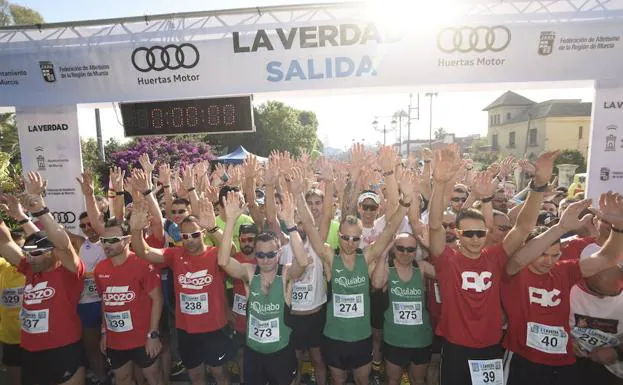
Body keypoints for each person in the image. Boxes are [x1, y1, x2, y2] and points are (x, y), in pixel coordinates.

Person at [428, 148, 549, 385]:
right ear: (458, 234)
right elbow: (434, 226)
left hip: (491, 347)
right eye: (469, 233)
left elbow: (523, 228)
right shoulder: (446, 259)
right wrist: (440, 184)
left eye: (480, 233)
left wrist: (539, 186)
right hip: (456, 348)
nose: (475, 238)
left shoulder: (495, 256)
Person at [298, 169, 420, 385]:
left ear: (361, 238)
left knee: (362, 380)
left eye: (355, 238)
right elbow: (309, 226)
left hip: (362, 339)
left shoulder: (368, 256)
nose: (350, 243)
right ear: (339, 236)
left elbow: (389, 228)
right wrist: (298, 194)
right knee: (338, 380)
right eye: (345, 237)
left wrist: (406, 201)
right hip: (334, 338)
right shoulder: (329, 257)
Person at [502, 192, 623, 385]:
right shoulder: (515, 273)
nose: (548, 261)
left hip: (562, 362)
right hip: (524, 359)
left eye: (555, 255)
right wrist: (561, 228)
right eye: (542, 254)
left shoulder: (565, 270)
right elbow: (517, 259)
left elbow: (608, 259)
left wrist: (619, 228)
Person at [130, 195, 235, 385]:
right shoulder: (175, 254)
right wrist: (136, 229)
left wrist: (214, 228)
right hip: (187, 330)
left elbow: (233, 252)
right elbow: (143, 252)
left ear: (203, 233)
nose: (190, 240)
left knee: (220, 375)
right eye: (185, 236)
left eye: (195, 235)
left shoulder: (215, 254)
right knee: (195, 376)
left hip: (214, 329)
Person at [0, 171, 86, 385]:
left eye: (37, 252)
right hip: (30, 351)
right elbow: (4, 242)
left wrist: (39, 209)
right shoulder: (30, 270)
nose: (30, 256)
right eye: (28, 251)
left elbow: (63, 243)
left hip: (63, 350)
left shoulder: (68, 271)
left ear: (53, 252)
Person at [218, 191, 309, 385]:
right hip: (254, 353)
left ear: (279, 253)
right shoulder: (250, 273)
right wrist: (231, 221)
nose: (265, 260)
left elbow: (302, 261)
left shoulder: (285, 275)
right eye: (260, 255)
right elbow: (223, 261)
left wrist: (291, 226)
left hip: (280, 353)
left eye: (270, 255)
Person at [95, 218, 164, 385]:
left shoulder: (142, 264)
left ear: (127, 239)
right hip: (116, 340)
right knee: (122, 379)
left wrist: (153, 334)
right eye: (104, 240)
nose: (107, 245)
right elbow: (105, 301)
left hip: (142, 338)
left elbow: (158, 298)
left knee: (153, 377)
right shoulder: (100, 268)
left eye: (113, 240)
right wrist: (104, 332)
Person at [372, 233, 436, 385]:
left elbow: (447, 272)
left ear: (416, 251)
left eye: (410, 249)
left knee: (418, 380)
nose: (406, 253)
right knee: (393, 380)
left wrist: (430, 247)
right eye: (401, 248)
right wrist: (383, 255)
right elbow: (376, 284)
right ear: (393, 249)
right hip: (395, 339)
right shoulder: (389, 269)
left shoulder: (421, 268)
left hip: (420, 339)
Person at [570, 265, 623, 385]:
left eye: (612, 294)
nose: (603, 297)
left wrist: (616, 352)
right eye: (597, 292)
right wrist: (566, 340)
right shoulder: (569, 288)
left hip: (616, 370)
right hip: (575, 363)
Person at [231, 223, 259, 383]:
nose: (246, 243)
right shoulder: (234, 260)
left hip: (259, 319)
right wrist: (227, 312)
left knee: (259, 357)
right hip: (239, 319)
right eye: (243, 240)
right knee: (241, 356)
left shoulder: (265, 258)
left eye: (250, 239)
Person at [0, 230, 25, 385]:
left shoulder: (36, 270)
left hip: (35, 338)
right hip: (11, 338)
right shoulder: (2, 268)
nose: (16, 252)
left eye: (21, 247)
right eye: (12, 248)